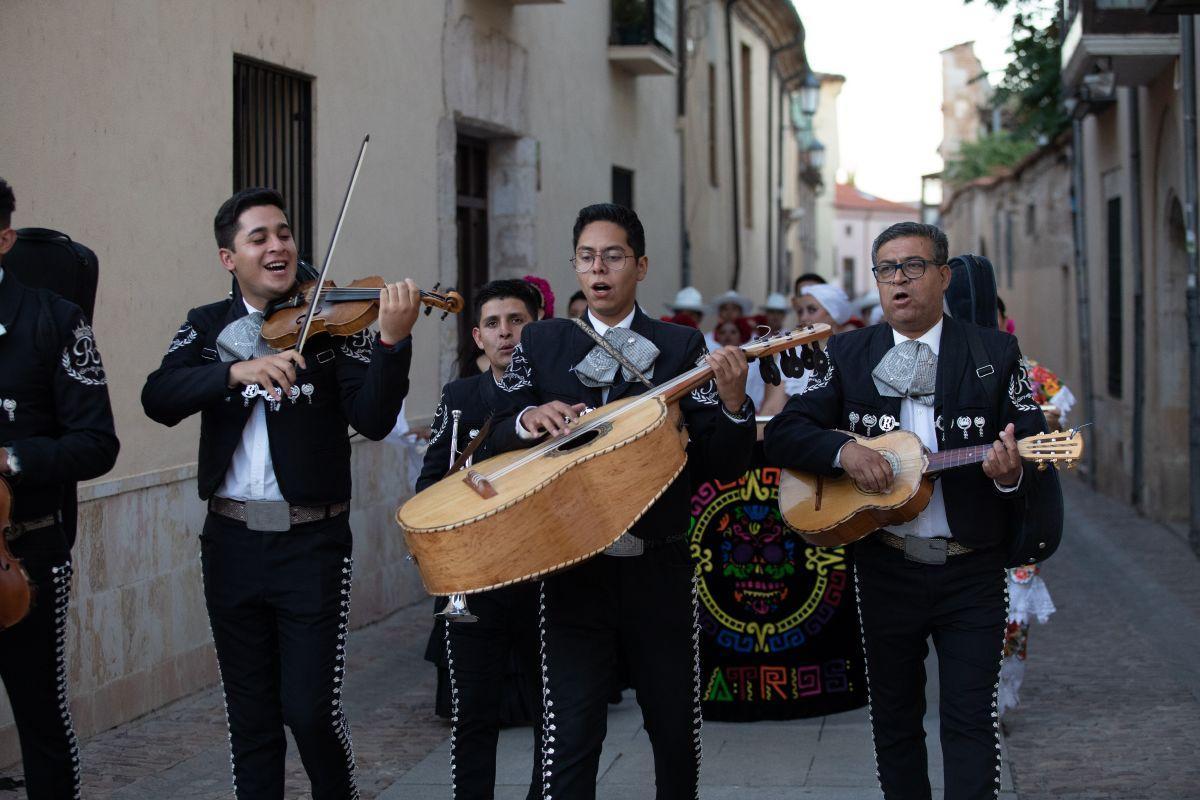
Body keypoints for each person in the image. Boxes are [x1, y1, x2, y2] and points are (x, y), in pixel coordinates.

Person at [141, 187, 418, 800]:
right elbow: (158, 397)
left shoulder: (333, 326)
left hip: (312, 543)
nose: (278, 245)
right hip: (231, 540)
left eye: (284, 233)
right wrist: (233, 371)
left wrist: (392, 345)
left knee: (310, 710)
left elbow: (372, 418)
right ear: (228, 258)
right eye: (259, 237)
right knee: (252, 719)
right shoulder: (208, 326)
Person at [764, 221, 1046, 800]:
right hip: (885, 563)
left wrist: (1012, 473)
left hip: (971, 566)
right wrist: (844, 451)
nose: (899, 280)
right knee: (894, 722)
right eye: (887, 269)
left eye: (913, 267)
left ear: (943, 276)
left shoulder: (993, 353)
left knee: (970, 723)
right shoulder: (847, 353)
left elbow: (1033, 441)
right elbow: (787, 432)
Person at [489, 203, 756, 799]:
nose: (599, 269)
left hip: (658, 569)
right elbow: (495, 428)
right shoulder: (543, 340)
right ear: (575, 268)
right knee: (571, 738)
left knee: (674, 734)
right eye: (587, 258)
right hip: (571, 569)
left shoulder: (681, 345)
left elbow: (722, 462)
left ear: (640, 265)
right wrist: (531, 416)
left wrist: (735, 404)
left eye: (613, 256)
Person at [0, 177, 119, 799]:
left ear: (4, 239)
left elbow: (97, 443)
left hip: (22, 555)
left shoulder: (55, 320)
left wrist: (11, 457)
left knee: (40, 716)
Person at [416, 279, 544, 799]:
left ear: (538, 329)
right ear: (477, 336)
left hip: (544, 572)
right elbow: (428, 483)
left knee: (551, 715)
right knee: (473, 717)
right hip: (475, 574)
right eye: (493, 323)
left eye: (517, 321)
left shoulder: (558, 395)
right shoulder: (460, 396)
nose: (505, 332)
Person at [758, 284, 856, 416]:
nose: (803, 317)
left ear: (833, 314)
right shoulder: (792, 354)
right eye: (800, 311)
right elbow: (773, 409)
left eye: (811, 310)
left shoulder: (850, 351)